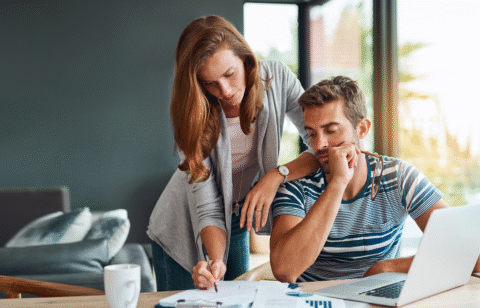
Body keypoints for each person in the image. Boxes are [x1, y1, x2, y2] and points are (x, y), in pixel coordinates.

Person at [146, 15, 319, 291]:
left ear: (245, 60)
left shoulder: (277, 79)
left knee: (238, 299)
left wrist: (276, 175)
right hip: (183, 226)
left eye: (229, 74)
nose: (224, 91)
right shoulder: (194, 114)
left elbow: (319, 143)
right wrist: (214, 262)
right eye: (210, 83)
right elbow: (206, 207)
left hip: (237, 218)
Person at [269, 76, 480, 283]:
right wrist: (337, 184)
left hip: (377, 300)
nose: (320, 144)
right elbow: (284, 270)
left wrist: (388, 267)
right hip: (315, 301)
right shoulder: (296, 185)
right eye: (312, 134)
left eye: (331, 130)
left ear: (361, 129)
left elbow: (471, 253)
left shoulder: (398, 177)